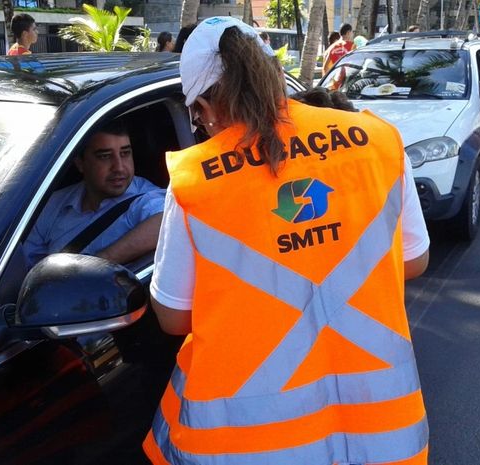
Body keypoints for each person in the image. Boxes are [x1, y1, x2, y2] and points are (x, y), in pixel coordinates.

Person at [143, 16, 430, 465]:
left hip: (249, 447)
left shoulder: (196, 180)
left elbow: (174, 317)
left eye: (197, 118)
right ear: (276, 75)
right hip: (381, 435)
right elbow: (414, 260)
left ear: (204, 107)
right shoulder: (379, 141)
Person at [23, 120, 165, 266]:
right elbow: (25, 265)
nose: (119, 167)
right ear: (80, 163)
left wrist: (98, 263)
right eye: (105, 156)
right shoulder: (53, 204)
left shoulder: (144, 198)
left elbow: (168, 219)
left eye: (125, 153)